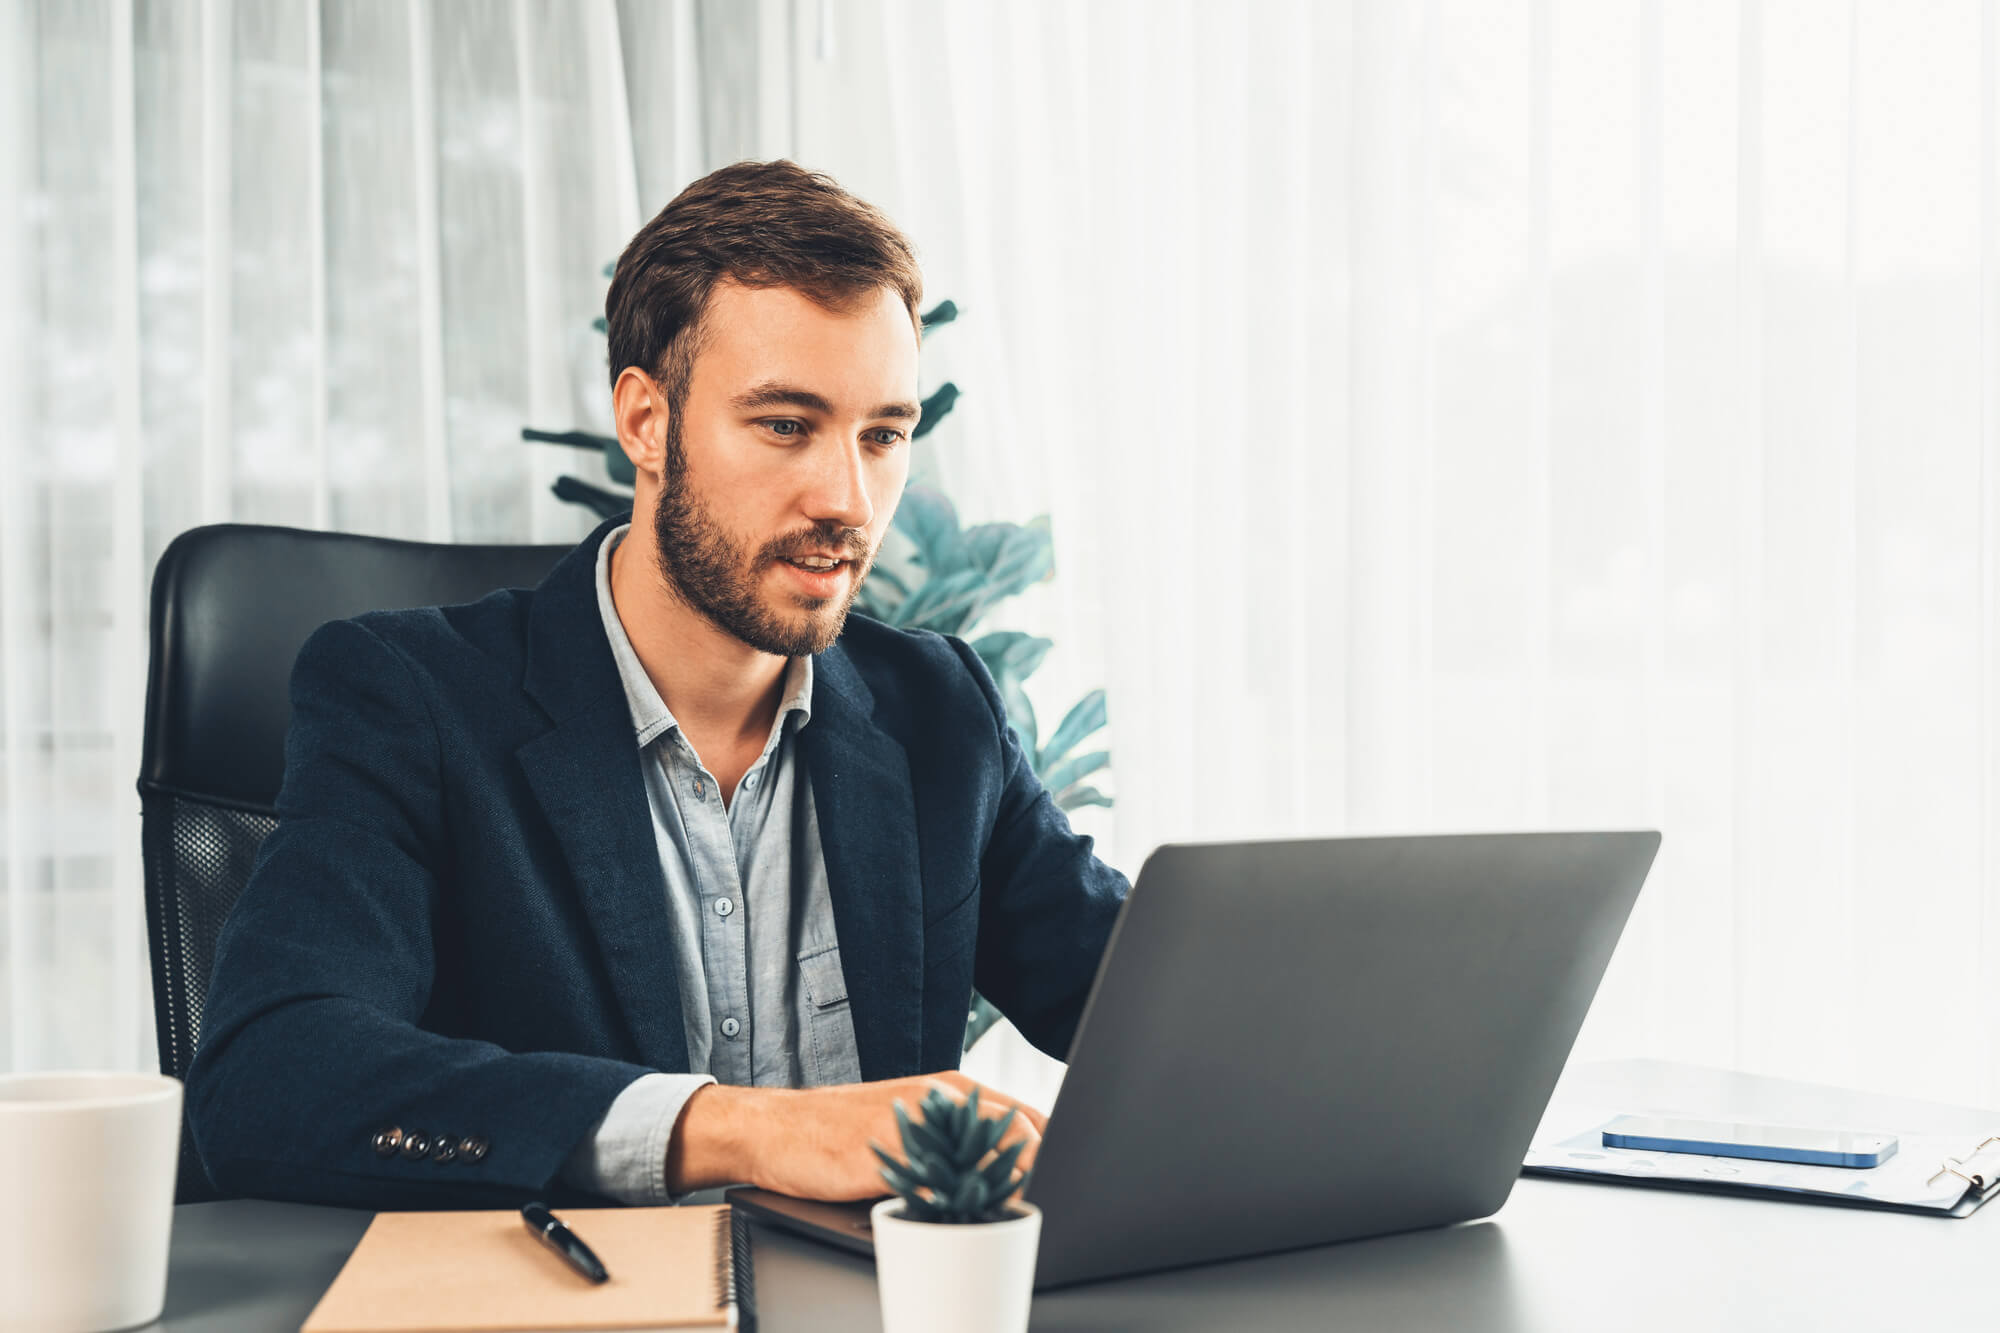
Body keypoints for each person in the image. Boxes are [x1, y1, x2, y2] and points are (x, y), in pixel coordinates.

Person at [184, 160, 1128, 1210]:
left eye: (882, 434)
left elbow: (1161, 1014)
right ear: (645, 421)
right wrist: (740, 1130)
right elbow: (270, 1076)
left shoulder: (939, 711)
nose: (846, 499)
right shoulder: (409, 699)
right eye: (784, 424)